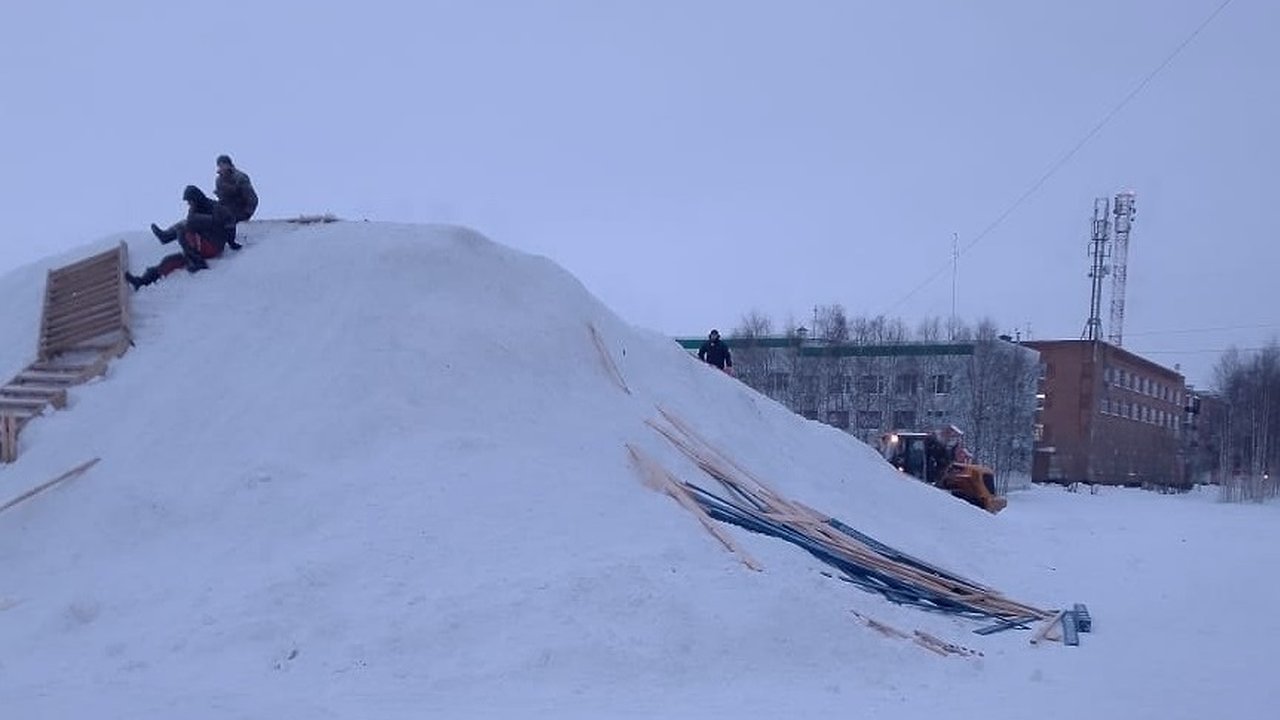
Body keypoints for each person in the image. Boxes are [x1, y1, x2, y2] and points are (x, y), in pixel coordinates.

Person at [127, 185, 234, 290]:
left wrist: (231, 242)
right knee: (170, 260)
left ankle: (197, 262)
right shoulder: (197, 210)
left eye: (190, 201)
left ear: (196, 199)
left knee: (183, 229)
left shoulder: (213, 208)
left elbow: (230, 221)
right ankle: (142, 281)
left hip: (213, 245)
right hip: (202, 245)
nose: (189, 204)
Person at [214, 154, 257, 250]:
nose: (221, 168)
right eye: (219, 165)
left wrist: (247, 213)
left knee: (228, 219)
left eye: (223, 165)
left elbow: (251, 197)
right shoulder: (219, 180)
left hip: (239, 209)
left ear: (229, 165)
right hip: (226, 207)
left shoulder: (240, 178)